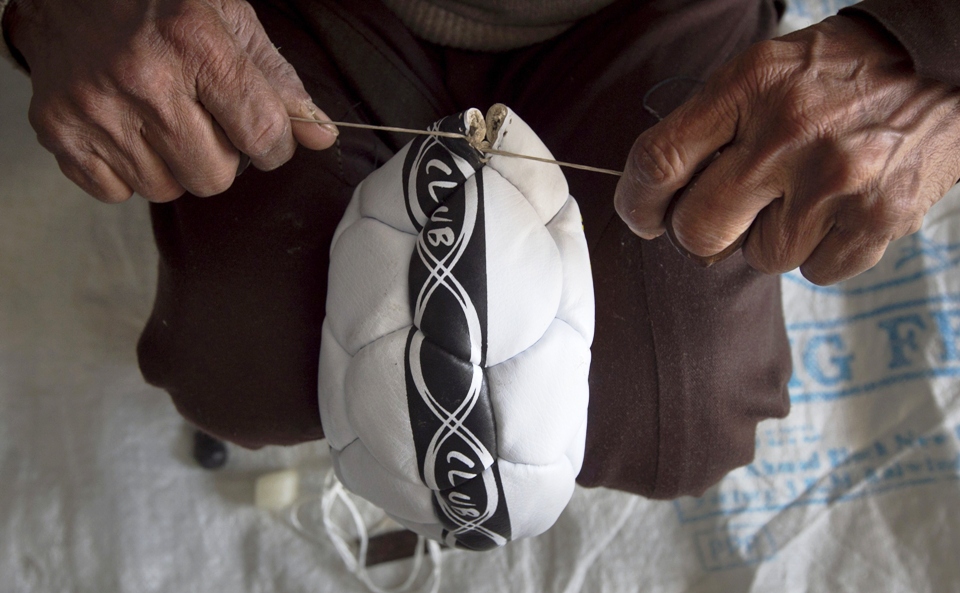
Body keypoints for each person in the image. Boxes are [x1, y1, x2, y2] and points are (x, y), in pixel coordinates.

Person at [3, 0, 959, 499]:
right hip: (281, 17)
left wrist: (936, 53)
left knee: (681, 416)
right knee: (238, 368)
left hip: (651, 14)